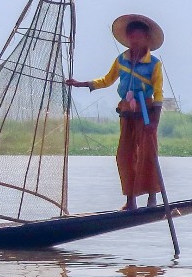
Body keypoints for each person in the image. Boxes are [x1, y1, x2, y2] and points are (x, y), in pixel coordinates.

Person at [67, 14, 166, 210]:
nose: (134, 41)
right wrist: (82, 84)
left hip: (146, 113)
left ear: (146, 39)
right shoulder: (121, 60)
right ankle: (130, 200)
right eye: (132, 37)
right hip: (127, 112)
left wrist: (155, 120)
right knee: (124, 155)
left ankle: (152, 198)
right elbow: (107, 80)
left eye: (139, 37)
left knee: (148, 153)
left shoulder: (154, 64)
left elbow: (158, 92)